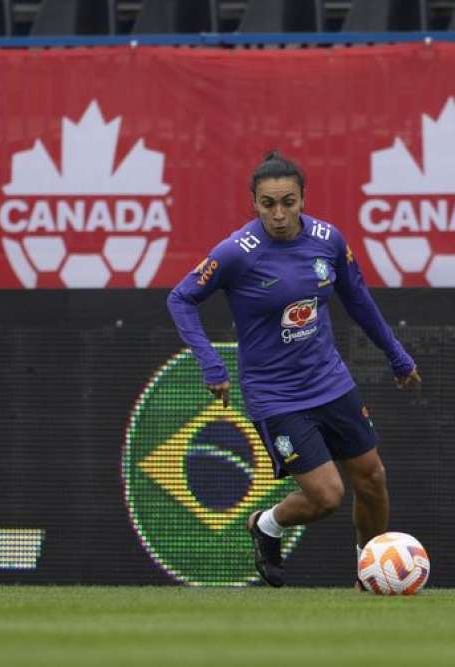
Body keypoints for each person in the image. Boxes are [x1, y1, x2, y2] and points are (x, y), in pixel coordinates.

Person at [167, 151, 421, 587]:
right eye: (268, 204)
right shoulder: (237, 252)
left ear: (303, 199)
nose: (279, 214)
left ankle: (370, 572)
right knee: (327, 497)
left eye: (288, 202)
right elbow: (180, 298)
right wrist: (211, 364)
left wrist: (397, 355)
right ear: (254, 203)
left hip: (331, 382)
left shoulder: (328, 240)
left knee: (372, 478)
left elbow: (358, 299)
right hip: (275, 395)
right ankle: (266, 524)